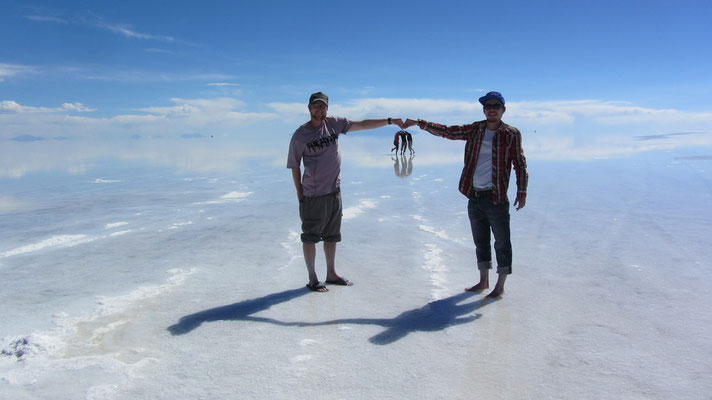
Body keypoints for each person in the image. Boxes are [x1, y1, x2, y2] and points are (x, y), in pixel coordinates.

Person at [403, 91, 528, 298]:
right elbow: (449, 132)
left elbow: (520, 164)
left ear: (503, 109)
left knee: (502, 241)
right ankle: (483, 281)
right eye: (488, 106)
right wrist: (420, 123)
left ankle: (500, 286)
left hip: (496, 197)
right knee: (480, 241)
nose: (492, 109)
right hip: (474, 195)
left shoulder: (511, 134)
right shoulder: (475, 129)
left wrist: (521, 191)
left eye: (496, 106)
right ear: (484, 110)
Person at [287, 92, 404, 292]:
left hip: (334, 192)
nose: (319, 110)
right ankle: (313, 278)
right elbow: (295, 166)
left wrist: (390, 121)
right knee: (310, 237)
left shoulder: (334, 124)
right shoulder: (300, 135)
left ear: (327, 108)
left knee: (332, 236)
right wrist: (300, 193)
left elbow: (363, 124)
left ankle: (331, 274)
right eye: (315, 106)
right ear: (309, 108)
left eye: (322, 106)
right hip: (313, 195)